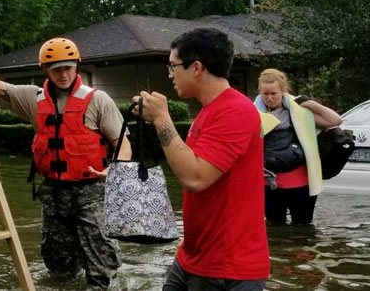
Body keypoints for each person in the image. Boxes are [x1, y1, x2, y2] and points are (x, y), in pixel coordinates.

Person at [0, 15, 130, 289]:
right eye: (56, 69)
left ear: (77, 66)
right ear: (45, 70)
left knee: (102, 267)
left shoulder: (98, 100)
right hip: (53, 194)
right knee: (58, 268)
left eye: (68, 67)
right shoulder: (32, 98)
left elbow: (123, 144)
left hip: (92, 191)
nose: (63, 74)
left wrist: (114, 170)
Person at [136, 28, 269, 290]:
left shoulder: (235, 111)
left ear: (196, 67)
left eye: (173, 66)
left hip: (228, 268)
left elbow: (195, 178)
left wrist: (162, 118)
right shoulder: (211, 110)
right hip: (193, 257)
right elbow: (191, 165)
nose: (171, 75)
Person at [254, 68, 343, 225]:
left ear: (283, 91)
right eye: (265, 94)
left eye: (273, 93)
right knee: (275, 229)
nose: (269, 98)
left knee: (303, 227)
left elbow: (335, 120)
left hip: (300, 182)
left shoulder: (299, 112)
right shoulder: (253, 114)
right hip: (267, 182)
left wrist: (310, 104)